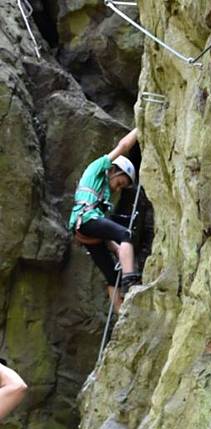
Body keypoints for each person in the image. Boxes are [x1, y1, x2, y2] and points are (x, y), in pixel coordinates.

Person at [68, 129, 142, 313]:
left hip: (86, 230)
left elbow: (101, 228)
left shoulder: (105, 194)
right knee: (126, 234)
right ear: (114, 171)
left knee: (111, 275)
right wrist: (139, 129)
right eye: (120, 183)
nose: (118, 189)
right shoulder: (98, 168)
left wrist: (116, 249)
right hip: (85, 219)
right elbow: (123, 146)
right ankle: (129, 277)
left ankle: (121, 314)